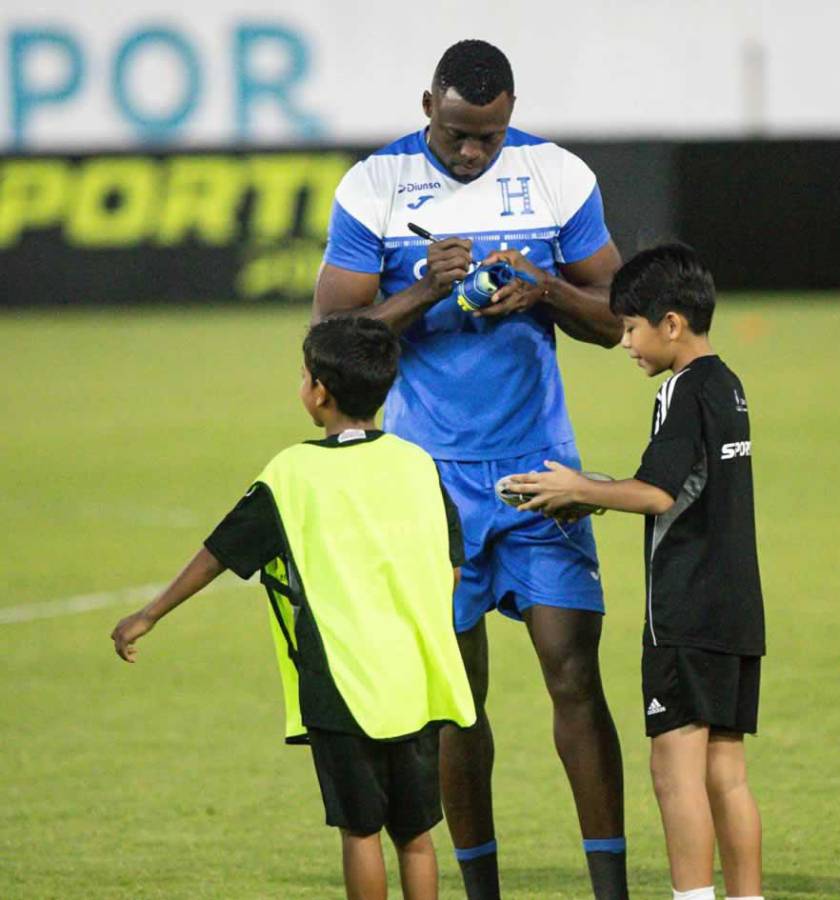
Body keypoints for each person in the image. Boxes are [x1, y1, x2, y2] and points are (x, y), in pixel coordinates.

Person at [311, 39, 628, 900]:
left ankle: (612, 892)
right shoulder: (372, 187)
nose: (472, 152)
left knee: (575, 676)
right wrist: (422, 288)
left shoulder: (556, 176)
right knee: (457, 699)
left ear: (510, 114)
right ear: (427, 107)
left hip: (540, 472)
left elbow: (620, 320)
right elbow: (331, 344)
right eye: (456, 133)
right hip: (428, 483)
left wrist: (548, 289)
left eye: (488, 135)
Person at [110, 317, 476, 900]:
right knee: (416, 834)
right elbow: (452, 567)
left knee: (360, 832)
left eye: (303, 374)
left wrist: (149, 614)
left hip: (341, 681)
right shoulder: (417, 463)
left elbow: (220, 552)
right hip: (415, 678)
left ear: (320, 391)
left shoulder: (293, 473)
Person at [508, 244, 766, 900]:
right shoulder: (726, 383)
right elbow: (683, 488)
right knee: (726, 775)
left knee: (673, 771)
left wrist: (584, 490)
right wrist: (578, 487)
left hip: (685, 610)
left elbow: (655, 494)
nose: (624, 341)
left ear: (671, 324)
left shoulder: (683, 392)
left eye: (630, 327)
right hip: (736, 608)